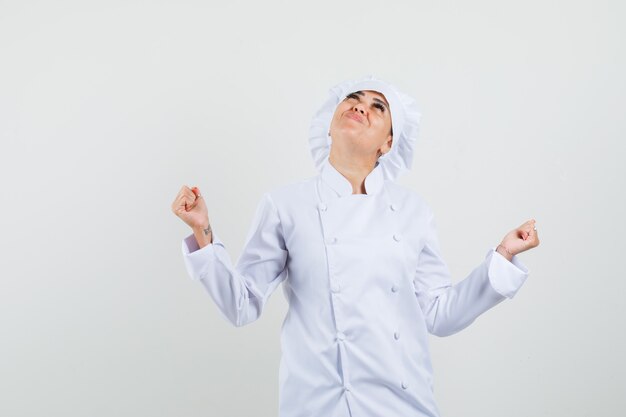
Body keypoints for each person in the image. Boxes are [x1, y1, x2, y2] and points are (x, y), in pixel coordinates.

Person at [171, 75, 540, 417]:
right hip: (317, 404)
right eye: (353, 98)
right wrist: (203, 232)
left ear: (389, 143)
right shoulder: (285, 205)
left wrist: (503, 256)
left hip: (402, 404)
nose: (361, 105)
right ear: (328, 125)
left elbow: (439, 313)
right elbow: (242, 305)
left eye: (378, 106)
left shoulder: (413, 211)